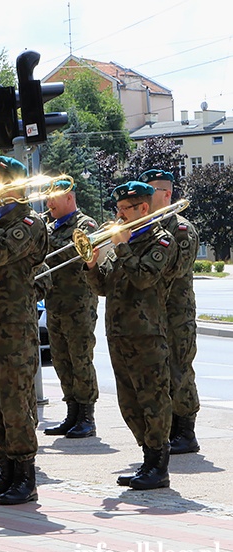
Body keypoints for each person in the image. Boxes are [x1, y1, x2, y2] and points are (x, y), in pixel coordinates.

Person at [85, 181, 178, 490]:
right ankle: (147, 457)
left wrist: (122, 246)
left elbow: (143, 278)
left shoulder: (161, 242)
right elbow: (103, 288)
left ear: (143, 208)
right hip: (119, 335)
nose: (120, 214)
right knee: (129, 403)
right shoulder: (120, 242)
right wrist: (91, 265)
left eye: (125, 209)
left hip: (146, 336)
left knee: (153, 400)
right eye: (118, 209)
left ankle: (158, 463)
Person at [0, 155, 47, 506]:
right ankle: (5, 470)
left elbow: (1, 253)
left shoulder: (29, 222)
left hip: (15, 329)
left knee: (15, 404)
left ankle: (25, 476)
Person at [141, 169, 201, 455]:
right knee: (160, 374)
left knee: (179, 370)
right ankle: (168, 430)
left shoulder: (181, 229)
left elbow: (171, 271)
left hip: (176, 312)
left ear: (166, 194)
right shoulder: (145, 228)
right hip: (153, 313)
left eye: (149, 191)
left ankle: (186, 431)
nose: (143, 197)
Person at [42, 180, 100, 438]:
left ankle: (87, 416)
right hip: (54, 302)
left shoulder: (84, 225)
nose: (49, 203)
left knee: (80, 359)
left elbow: (77, 257)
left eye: (54, 197)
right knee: (61, 359)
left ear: (70, 198)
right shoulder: (46, 224)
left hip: (79, 304)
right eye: (47, 198)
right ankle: (72, 412)